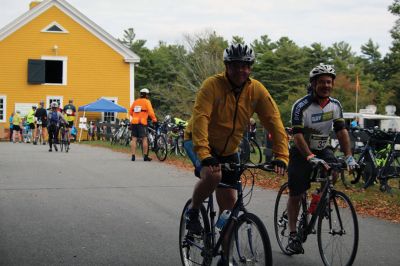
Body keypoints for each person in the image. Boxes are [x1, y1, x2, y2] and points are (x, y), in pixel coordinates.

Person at [184, 43, 289, 264]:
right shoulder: (211, 86)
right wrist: (204, 154)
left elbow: (273, 120)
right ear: (226, 66)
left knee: (230, 204)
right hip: (197, 141)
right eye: (236, 66)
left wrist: (281, 155)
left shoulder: (256, 90)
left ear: (250, 67)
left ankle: (225, 255)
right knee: (213, 175)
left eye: (246, 66)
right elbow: (201, 118)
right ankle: (193, 210)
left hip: (229, 149)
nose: (241, 70)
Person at [285, 64, 358, 255]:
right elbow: (298, 135)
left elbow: (341, 131)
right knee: (296, 193)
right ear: (313, 84)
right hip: (301, 151)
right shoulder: (301, 106)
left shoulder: (335, 105)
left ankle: (320, 199)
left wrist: (349, 156)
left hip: (322, 148)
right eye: (321, 82)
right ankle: (293, 236)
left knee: (334, 169)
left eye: (329, 82)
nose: (326, 85)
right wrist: (309, 156)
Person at [129, 88, 158, 161]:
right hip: (142, 123)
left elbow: (130, 112)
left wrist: (135, 117)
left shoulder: (135, 101)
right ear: (146, 95)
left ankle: (133, 156)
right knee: (144, 139)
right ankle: (145, 156)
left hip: (134, 122)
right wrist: (154, 119)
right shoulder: (147, 102)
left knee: (134, 139)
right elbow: (151, 112)